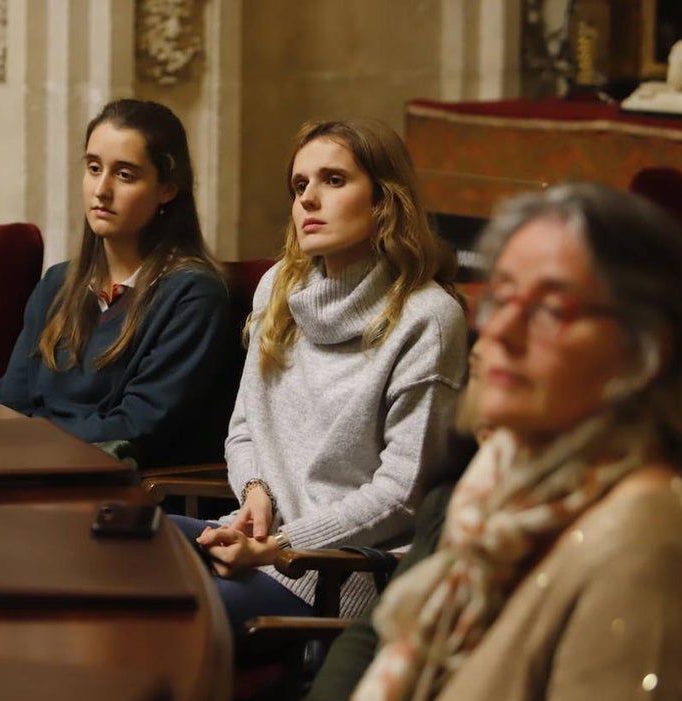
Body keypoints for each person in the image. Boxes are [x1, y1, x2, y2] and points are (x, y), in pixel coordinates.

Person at [287, 184, 682, 701]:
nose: (502, 333)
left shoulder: (652, 555)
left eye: (551, 309)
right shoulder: (507, 480)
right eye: (503, 298)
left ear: (649, 349)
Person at [178, 118, 468, 630]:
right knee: (108, 547)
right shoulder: (278, 288)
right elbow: (245, 428)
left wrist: (281, 545)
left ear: (384, 201)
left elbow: (403, 495)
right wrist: (256, 494)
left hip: (333, 574)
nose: (309, 198)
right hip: (255, 544)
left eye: (334, 180)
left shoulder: (427, 318)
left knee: (152, 612)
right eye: (300, 185)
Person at [0, 99, 233, 469]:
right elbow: (9, 402)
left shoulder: (193, 294)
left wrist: (31, 440)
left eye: (125, 174)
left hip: (117, 490)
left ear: (167, 188)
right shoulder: (58, 282)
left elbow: (138, 425)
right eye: (93, 168)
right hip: (30, 471)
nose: (101, 190)